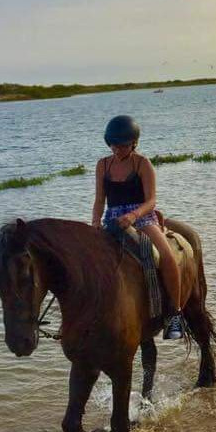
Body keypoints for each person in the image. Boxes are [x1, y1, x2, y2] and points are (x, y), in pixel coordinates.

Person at [92, 115, 184, 340]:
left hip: (142, 217)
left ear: (133, 143)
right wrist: (95, 223)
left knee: (166, 255)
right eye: (113, 144)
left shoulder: (142, 163)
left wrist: (133, 216)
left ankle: (175, 314)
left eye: (122, 145)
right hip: (112, 219)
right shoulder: (103, 165)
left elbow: (151, 200)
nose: (117, 149)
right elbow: (99, 200)